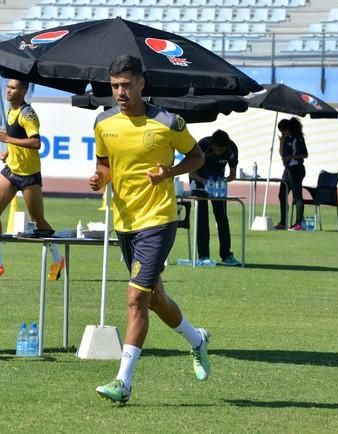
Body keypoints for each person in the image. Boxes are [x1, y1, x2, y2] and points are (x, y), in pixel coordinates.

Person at [89, 54, 211, 404]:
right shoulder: (103, 123)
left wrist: (169, 173)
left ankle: (123, 383)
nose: (120, 92)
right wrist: (100, 178)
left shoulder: (168, 122)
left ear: (142, 83)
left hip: (158, 220)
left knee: (135, 299)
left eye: (126, 85)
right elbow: (104, 164)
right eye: (114, 87)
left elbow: (197, 156)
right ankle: (197, 340)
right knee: (154, 298)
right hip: (125, 221)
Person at [0, 79, 65, 280]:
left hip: (29, 176)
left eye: (13, 88)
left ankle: (57, 257)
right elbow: (17, 143)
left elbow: (36, 143)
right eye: (8, 87)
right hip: (12, 171)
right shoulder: (10, 111)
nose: (9, 91)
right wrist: (8, 153)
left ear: (24, 90)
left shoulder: (28, 114)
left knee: (38, 222)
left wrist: (9, 140)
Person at [188, 130, 241, 266]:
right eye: (216, 149)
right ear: (212, 145)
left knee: (222, 217)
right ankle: (203, 256)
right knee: (202, 218)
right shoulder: (203, 146)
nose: (218, 153)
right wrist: (204, 182)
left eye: (221, 150)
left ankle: (226, 255)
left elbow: (232, 175)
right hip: (199, 180)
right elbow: (192, 172)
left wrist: (221, 182)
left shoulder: (232, 149)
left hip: (217, 181)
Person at [275, 117, 308, 231]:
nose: (282, 133)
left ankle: (299, 223)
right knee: (282, 194)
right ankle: (284, 222)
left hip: (296, 169)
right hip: (288, 169)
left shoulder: (298, 138)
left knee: (297, 195)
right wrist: (281, 143)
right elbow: (282, 155)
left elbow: (304, 154)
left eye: (283, 131)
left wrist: (292, 157)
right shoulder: (287, 139)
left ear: (287, 129)